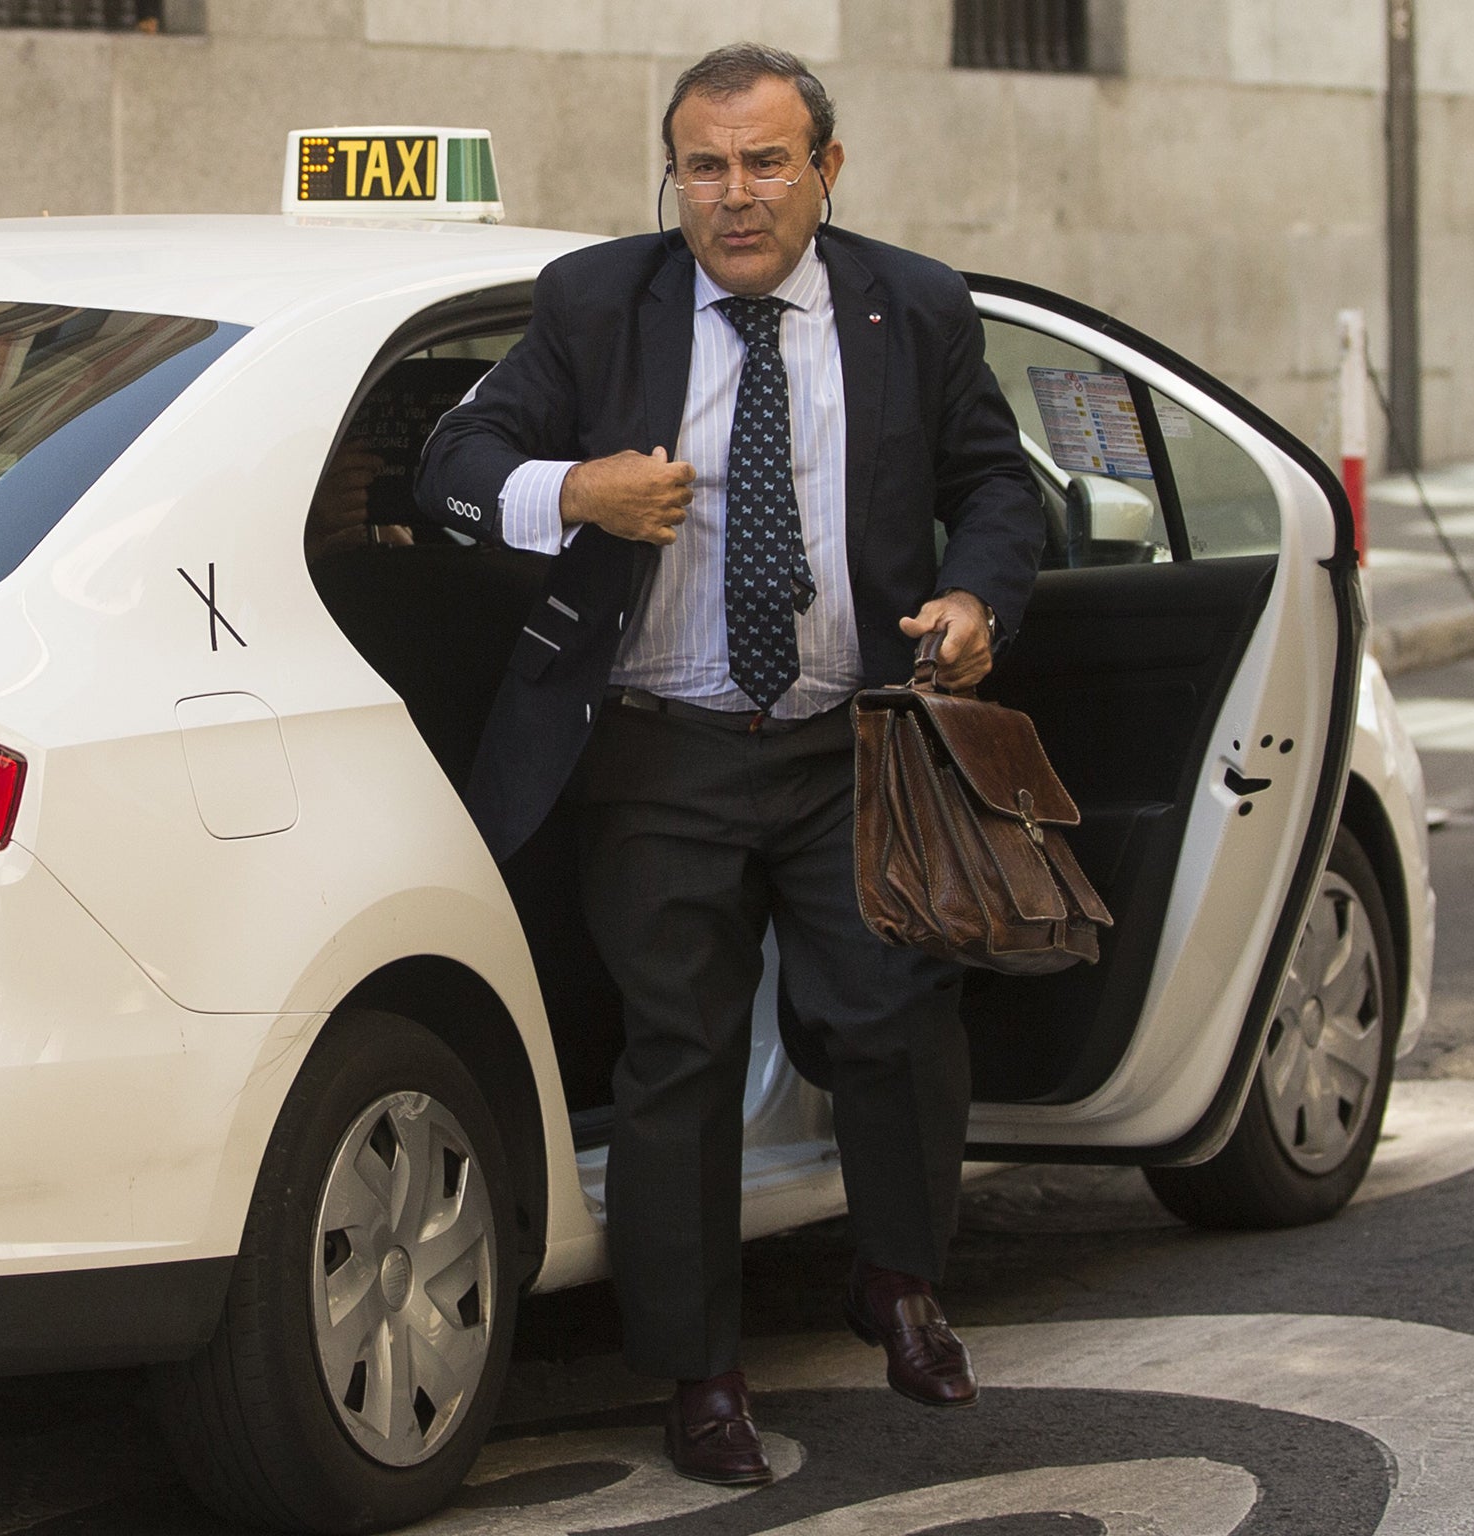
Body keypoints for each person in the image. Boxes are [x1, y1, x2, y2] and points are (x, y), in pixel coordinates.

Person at [415, 42, 1047, 1485]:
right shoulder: (595, 305)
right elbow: (452, 465)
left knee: (894, 1014)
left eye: (767, 163)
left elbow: (997, 485)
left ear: (828, 167)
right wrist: (572, 489)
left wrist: (977, 602)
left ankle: (895, 1278)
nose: (734, 196)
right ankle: (699, 1379)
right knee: (680, 1061)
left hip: (851, 741)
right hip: (658, 753)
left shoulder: (914, 304)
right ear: (674, 175)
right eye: (704, 166)